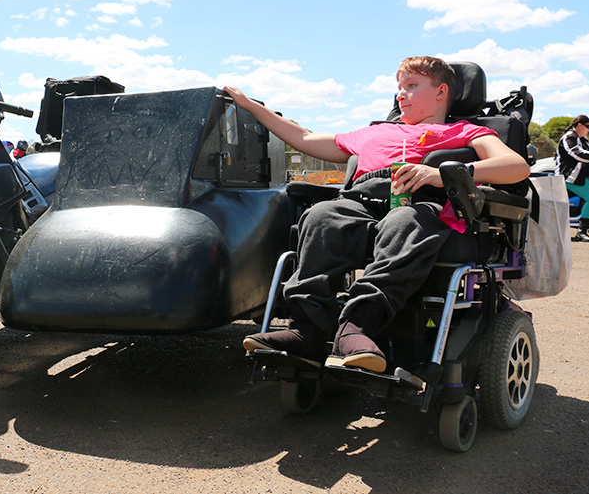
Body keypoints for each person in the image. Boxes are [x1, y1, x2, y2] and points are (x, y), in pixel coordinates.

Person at [224, 56, 530, 373]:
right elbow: (303, 138)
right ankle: (306, 332)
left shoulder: (464, 131)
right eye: (399, 88)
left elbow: (516, 167)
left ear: (441, 92)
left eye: (411, 86)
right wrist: (251, 106)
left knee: (405, 221)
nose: (400, 95)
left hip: (418, 201)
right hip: (362, 199)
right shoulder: (375, 132)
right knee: (322, 216)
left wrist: (439, 174)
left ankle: (356, 328)